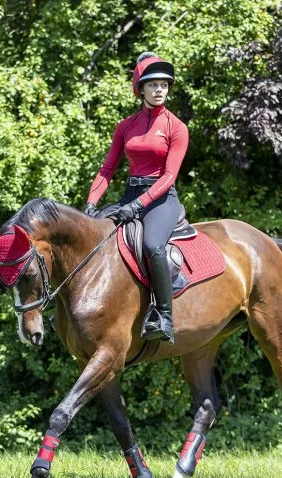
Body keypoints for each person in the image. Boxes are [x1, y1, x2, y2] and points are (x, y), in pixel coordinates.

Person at [84, 52, 189, 344]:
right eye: (153, 84)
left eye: (164, 85)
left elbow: (169, 176)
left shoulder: (176, 127)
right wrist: (91, 203)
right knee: (92, 237)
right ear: (140, 89)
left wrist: (138, 205)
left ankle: (165, 316)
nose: (159, 90)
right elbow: (107, 169)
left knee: (152, 245)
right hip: (130, 194)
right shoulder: (125, 127)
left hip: (161, 199)